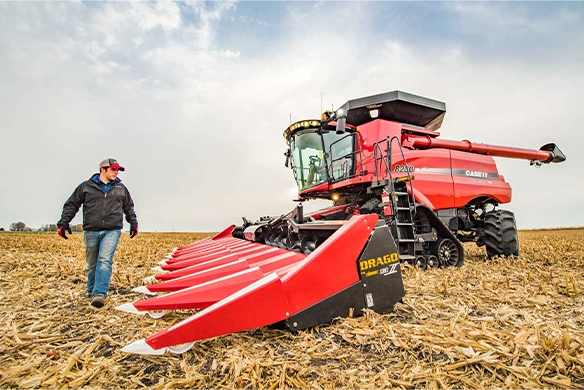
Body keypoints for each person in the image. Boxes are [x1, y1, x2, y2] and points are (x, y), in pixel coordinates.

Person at [57, 158, 138, 308]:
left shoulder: (121, 188)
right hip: (91, 230)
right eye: (113, 169)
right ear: (103, 170)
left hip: (112, 230)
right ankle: (91, 290)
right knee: (92, 264)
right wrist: (64, 222)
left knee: (104, 260)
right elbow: (72, 204)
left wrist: (133, 223)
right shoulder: (86, 187)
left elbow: (129, 207)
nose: (116, 172)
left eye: (117, 170)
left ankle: (100, 294)